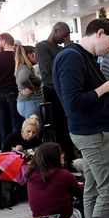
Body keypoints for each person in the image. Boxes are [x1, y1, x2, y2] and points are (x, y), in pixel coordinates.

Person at [52, 17, 109, 218]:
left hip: (93, 130)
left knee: (94, 187)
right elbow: (73, 102)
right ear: (100, 33)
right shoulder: (72, 57)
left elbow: (88, 94)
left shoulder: (84, 57)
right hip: (93, 132)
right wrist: (105, 88)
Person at [35, 22, 74, 164]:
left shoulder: (59, 48)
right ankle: (63, 158)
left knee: (67, 124)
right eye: (63, 36)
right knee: (59, 126)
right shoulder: (42, 47)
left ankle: (70, 156)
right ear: (55, 30)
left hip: (63, 88)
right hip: (52, 89)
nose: (64, 39)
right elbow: (48, 68)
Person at [26, 142, 83, 218]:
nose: (63, 155)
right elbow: (80, 194)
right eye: (60, 153)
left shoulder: (30, 174)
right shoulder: (64, 175)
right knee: (86, 202)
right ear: (54, 157)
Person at [0, 33, 23, 143]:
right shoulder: (18, 56)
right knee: (16, 120)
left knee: (4, 121)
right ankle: (17, 145)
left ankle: (6, 147)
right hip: (14, 92)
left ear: (4, 42)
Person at [14, 44, 43, 121]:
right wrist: (32, 89)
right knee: (34, 130)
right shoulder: (25, 68)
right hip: (30, 103)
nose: (38, 56)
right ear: (30, 55)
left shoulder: (24, 67)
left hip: (28, 103)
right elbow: (23, 79)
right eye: (35, 53)